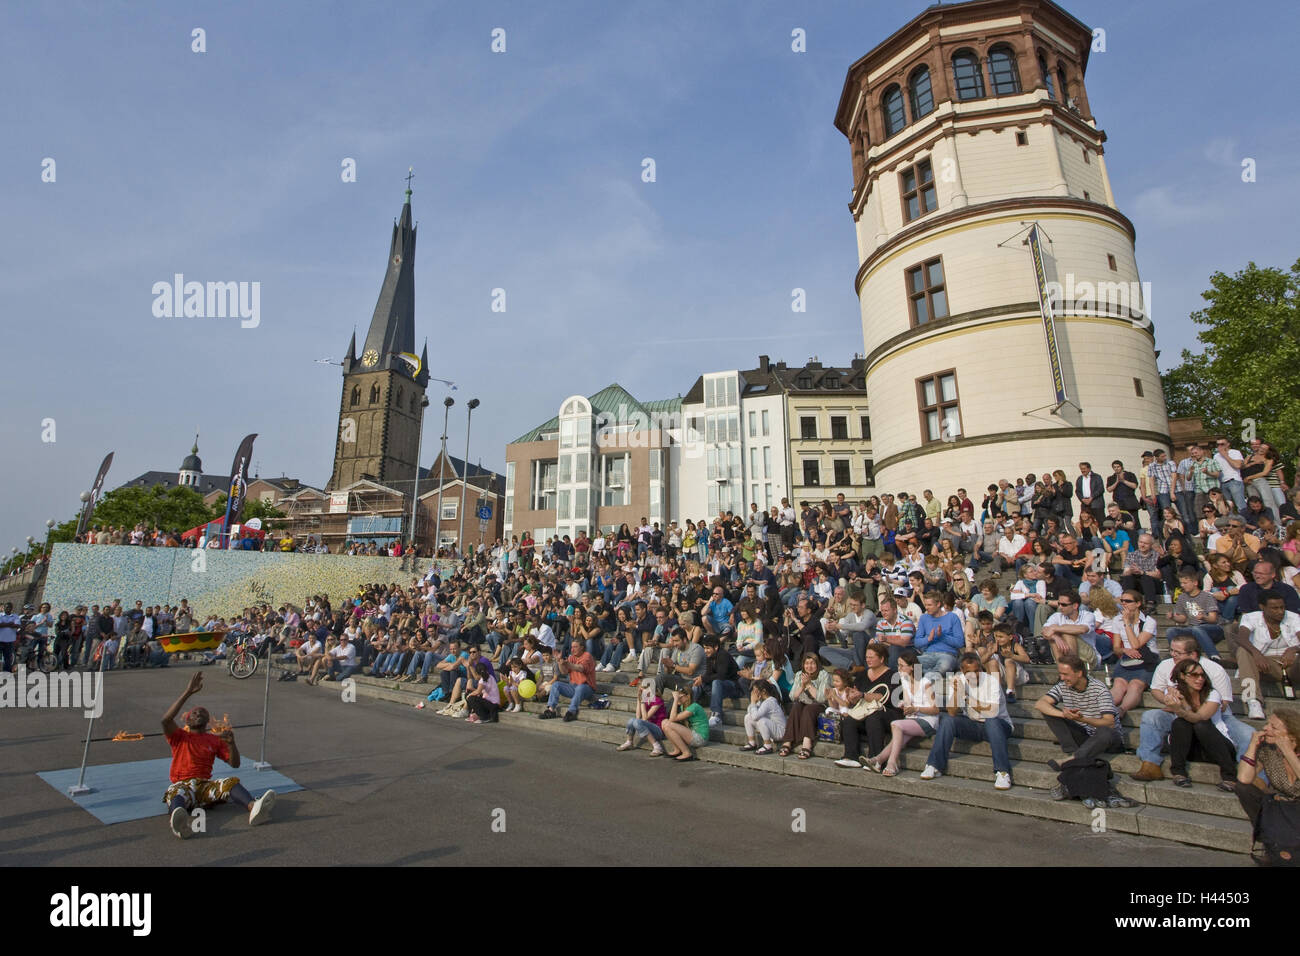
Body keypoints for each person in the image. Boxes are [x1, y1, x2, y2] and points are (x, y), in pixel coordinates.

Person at [161, 673, 275, 839]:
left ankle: (254, 808)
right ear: (188, 721)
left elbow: (234, 764)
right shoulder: (179, 736)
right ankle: (179, 822)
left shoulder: (214, 740)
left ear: (207, 720)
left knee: (230, 782)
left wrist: (231, 744)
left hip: (205, 788)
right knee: (175, 792)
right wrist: (188, 692)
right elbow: (165, 720)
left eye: (202, 713)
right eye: (194, 713)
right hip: (183, 785)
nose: (198, 714)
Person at [1131, 635, 1252, 781]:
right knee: (1150, 717)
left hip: (1217, 715)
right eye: (1171, 650)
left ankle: (1247, 772)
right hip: (1178, 713)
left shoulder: (1215, 670)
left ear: (1193, 654)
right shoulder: (1165, 665)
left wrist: (1182, 706)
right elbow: (1156, 689)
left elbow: (1223, 703)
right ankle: (1150, 764)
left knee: (1248, 734)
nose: (1173, 654)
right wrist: (1169, 700)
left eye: (1178, 652)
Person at [1034, 654, 1130, 805]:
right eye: (1060, 673)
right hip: (1086, 734)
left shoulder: (1099, 689)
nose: (1062, 677)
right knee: (1049, 712)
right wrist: (1064, 714)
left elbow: (1109, 722)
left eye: (1065, 674)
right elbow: (1040, 704)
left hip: (1110, 739)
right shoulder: (1063, 685)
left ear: (1079, 673)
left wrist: (1082, 719)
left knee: (1105, 731)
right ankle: (1074, 751)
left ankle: (1073, 758)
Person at [920, 652, 1015, 790]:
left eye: (977, 670)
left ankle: (1003, 772)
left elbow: (990, 711)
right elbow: (952, 712)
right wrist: (957, 694)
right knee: (947, 721)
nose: (973, 675)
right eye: (969, 672)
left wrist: (965, 698)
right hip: (973, 724)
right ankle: (934, 765)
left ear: (981, 669)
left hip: (999, 726)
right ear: (962, 672)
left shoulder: (992, 681)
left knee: (991, 720)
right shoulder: (959, 681)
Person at [1233, 710, 1300, 865]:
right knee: (1243, 788)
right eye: (1267, 724)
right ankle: (1268, 839)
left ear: (1291, 734)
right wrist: (1252, 745)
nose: (1266, 729)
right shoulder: (1267, 750)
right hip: (1282, 805)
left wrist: (1288, 751)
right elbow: (1244, 778)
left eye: (1273, 727)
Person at [1164, 658, 1238, 790]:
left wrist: (1182, 706)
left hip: (1219, 746)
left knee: (1201, 725)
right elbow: (1168, 700)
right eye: (1194, 675)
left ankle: (1230, 776)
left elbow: (1199, 717)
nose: (1199, 679)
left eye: (1202, 675)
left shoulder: (1212, 694)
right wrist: (1174, 701)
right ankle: (1178, 772)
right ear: (1182, 676)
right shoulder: (1175, 692)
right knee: (1180, 723)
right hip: (1192, 748)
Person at [868, 649, 938, 776]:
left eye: (901, 665)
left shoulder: (925, 683)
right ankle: (878, 760)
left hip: (928, 721)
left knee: (896, 725)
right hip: (912, 719)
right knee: (899, 736)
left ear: (912, 667)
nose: (898, 668)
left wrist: (916, 708)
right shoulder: (904, 680)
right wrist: (904, 706)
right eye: (898, 665)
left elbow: (935, 709)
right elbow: (907, 703)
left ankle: (892, 763)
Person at [1233, 591, 1300, 720]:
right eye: (1275, 608)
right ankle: (1253, 701)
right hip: (1264, 665)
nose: (1280, 611)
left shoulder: (1293, 617)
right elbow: (1241, 638)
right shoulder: (1251, 617)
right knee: (1243, 651)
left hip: (1291, 664)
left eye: (1282, 607)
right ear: (1262, 607)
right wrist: (1256, 654)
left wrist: (1294, 648)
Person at [836, 643, 896, 769]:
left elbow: (885, 697)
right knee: (849, 719)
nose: (868, 660)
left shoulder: (893, 676)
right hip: (864, 711)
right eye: (867, 657)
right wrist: (851, 696)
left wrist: (862, 695)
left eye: (871, 657)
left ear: (882, 659)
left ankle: (875, 759)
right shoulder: (862, 674)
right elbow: (856, 697)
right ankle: (851, 756)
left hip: (886, 713)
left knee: (874, 717)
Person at [779, 652, 831, 759]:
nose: (809, 666)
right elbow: (792, 696)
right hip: (803, 703)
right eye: (807, 663)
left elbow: (821, 698)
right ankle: (788, 741)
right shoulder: (799, 674)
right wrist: (802, 686)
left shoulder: (824, 674)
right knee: (796, 706)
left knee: (808, 709)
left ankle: (807, 743)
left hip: (819, 706)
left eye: (812, 663)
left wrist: (809, 685)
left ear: (817, 664)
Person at [538, 637, 598, 722]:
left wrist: (567, 663)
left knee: (580, 687)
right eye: (572, 647)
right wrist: (559, 662)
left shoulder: (587, 656)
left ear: (582, 647)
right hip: (573, 687)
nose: (572, 649)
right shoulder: (571, 657)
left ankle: (571, 712)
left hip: (587, 687)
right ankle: (551, 710)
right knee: (556, 684)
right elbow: (564, 672)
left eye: (575, 647)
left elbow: (580, 668)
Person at [661, 687, 710, 762]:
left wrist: (675, 700)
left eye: (680, 697)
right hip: (692, 734)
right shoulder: (683, 706)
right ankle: (677, 749)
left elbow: (672, 719)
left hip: (700, 738)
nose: (678, 699)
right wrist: (677, 700)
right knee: (664, 722)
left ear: (688, 696)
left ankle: (687, 753)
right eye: (678, 697)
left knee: (668, 723)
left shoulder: (694, 707)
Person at [618, 683, 667, 754]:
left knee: (637, 722)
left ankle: (657, 747)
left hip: (658, 730)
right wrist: (639, 700)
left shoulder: (658, 700)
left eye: (643, 690)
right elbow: (638, 716)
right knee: (631, 720)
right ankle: (629, 742)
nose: (641, 692)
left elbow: (645, 718)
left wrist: (642, 702)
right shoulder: (646, 700)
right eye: (641, 690)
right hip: (648, 728)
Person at [740, 681, 786, 754]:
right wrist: (754, 703)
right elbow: (750, 712)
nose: (753, 693)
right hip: (772, 728)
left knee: (761, 720)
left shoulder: (770, 702)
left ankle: (768, 746)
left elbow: (755, 717)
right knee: (748, 717)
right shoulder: (761, 701)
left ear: (763, 691)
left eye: (755, 691)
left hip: (780, 732)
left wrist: (753, 702)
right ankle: (752, 743)